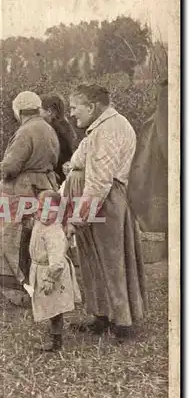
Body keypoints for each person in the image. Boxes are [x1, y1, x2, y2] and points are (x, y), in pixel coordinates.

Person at [65, 84, 147, 342]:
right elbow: (87, 163)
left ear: (92, 106)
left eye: (75, 107)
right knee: (94, 260)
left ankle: (122, 323)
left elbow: (100, 181)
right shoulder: (101, 127)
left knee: (112, 262)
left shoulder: (109, 129)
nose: (71, 113)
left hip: (105, 201)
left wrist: (80, 216)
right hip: (100, 199)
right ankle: (101, 315)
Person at [0, 91, 60, 306]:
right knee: (36, 237)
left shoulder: (25, 131)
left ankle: (18, 290)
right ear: (37, 108)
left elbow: (11, 167)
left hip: (21, 189)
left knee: (13, 236)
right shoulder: (48, 129)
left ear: (18, 111)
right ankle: (39, 285)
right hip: (44, 186)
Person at [27, 190, 81, 352]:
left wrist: (51, 279)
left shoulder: (54, 232)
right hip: (40, 269)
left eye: (50, 210)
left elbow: (57, 261)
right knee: (49, 305)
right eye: (40, 209)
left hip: (52, 272)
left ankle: (56, 341)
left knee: (55, 307)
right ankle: (53, 333)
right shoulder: (40, 224)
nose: (44, 214)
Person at [40, 93, 77, 184]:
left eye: (40, 110)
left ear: (49, 111)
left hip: (57, 178)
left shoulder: (54, 129)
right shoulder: (65, 126)